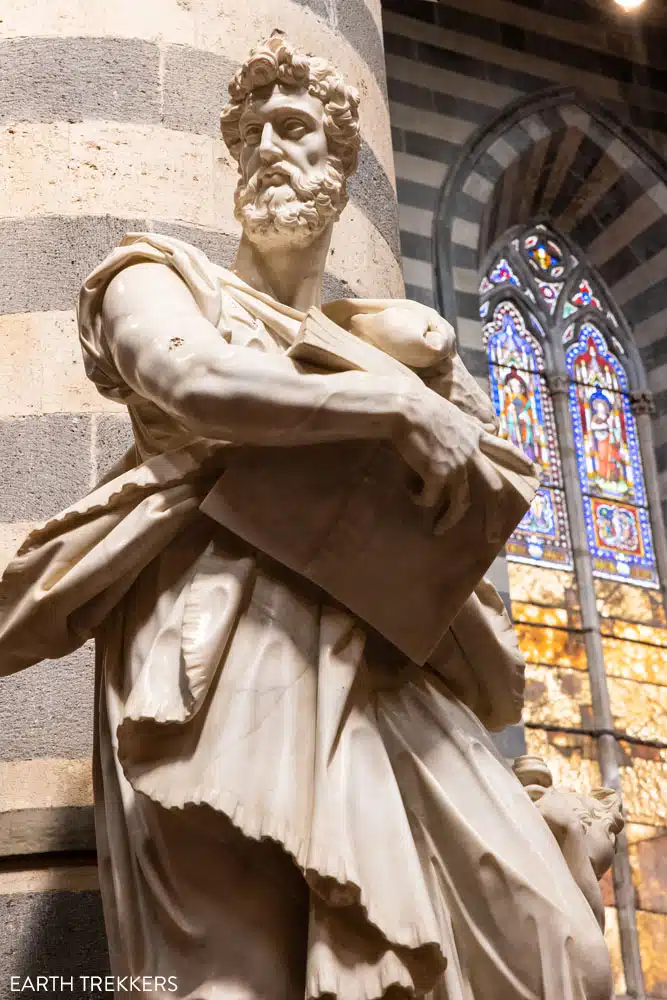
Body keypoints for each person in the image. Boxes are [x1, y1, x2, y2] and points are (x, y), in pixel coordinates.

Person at [0, 34, 616, 1000]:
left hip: (379, 660)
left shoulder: (397, 356)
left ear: (343, 168)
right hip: (216, 651)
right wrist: (396, 407)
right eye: (251, 136)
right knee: (235, 974)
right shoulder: (156, 279)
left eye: (298, 132)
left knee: (550, 938)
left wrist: (438, 397)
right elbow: (194, 379)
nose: (269, 152)